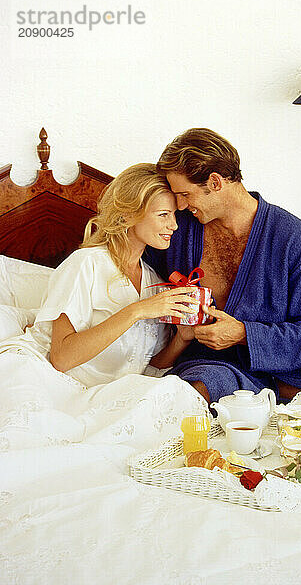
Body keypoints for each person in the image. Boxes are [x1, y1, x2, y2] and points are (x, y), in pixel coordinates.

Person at [143, 128, 301, 403]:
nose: (179, 206)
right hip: (213, 364)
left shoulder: (293, 238)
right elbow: (127, 243)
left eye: (185, 194)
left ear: (215, 182)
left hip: (294, 366)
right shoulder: (177, 230)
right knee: (195, 392)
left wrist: (244, 334)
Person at [0, 164, 207, 449]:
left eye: (174, 215)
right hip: (48, 381)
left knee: (173, 393)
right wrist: (136, 311)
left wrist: (182, 340)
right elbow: (61, 358)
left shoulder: (153, 281)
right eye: (163, 215)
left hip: (103, 396)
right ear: (128, 214)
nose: (174, 225)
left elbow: (147, 367)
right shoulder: (85, 265)